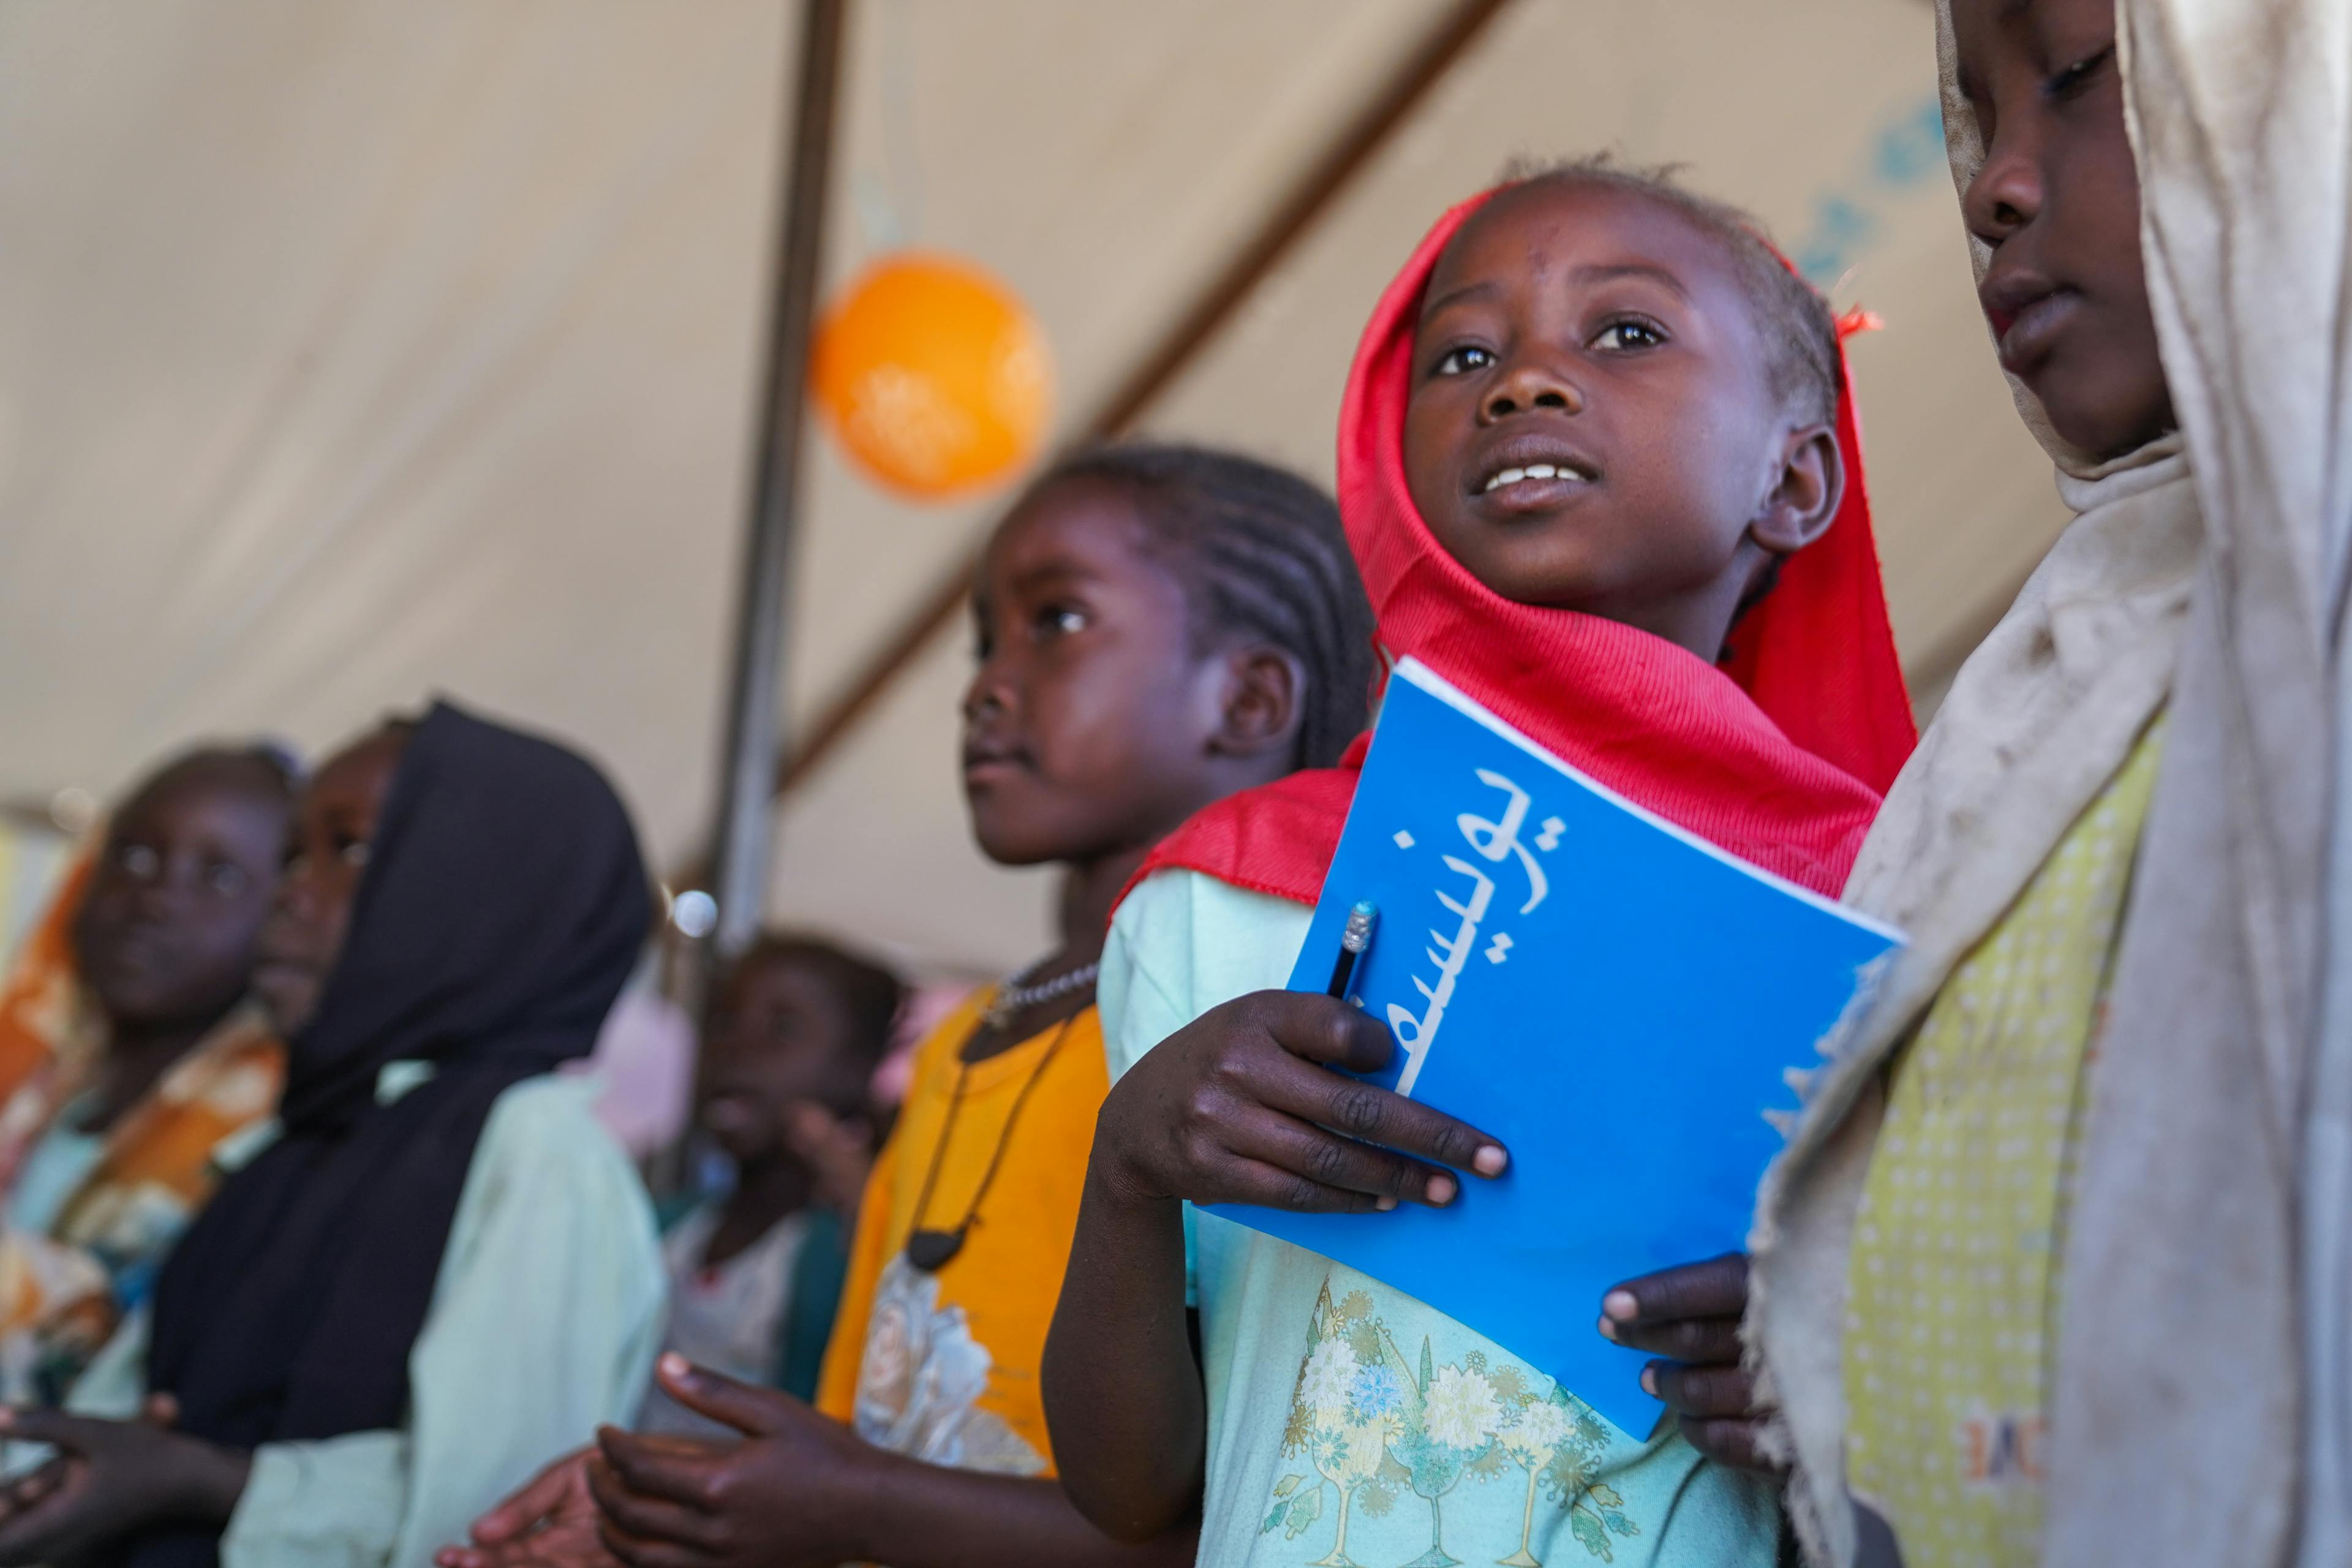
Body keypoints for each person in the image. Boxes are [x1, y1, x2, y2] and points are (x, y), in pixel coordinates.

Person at [1038, 160, 1916, 1568]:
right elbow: (1133, 1489)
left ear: (1795, 474)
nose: (1520, 381)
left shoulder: (1899, 918)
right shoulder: (1223, 898)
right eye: (1460, 353)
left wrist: (1838, 1380)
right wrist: (1128, 1169)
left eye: (1623, 331)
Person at [1624, 1, 2349, 1565]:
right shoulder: (2063, 660)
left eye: (2083, 77)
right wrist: (1829, 1311)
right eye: (1977, 118)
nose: (1990, 189)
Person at [445, 442, 1377, 1568]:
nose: (983, 685)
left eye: (1057, 623)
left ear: (1248, 697)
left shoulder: (1250, 1033)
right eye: (985, 642)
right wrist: (686, 1498)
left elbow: (1244, 1522)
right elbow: (877, 1442)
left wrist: (850, 1501)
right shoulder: (960, 1046)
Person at [0, 704, 665, 1567]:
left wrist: (201, 1480)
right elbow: (126, 1418)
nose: (292, 889)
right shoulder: (292, 1147)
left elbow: (497, 1511)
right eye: (289, 856)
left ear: (489, 892)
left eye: (346, 850)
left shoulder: (534, 1153)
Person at [0, 747, 294, 1400]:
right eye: (134, 857)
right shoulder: (30, 1075)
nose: (156, 899)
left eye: (217, 877)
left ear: (283, 914)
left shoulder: (266, 1143)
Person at [636, 933, 903, 1436]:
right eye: (723, 1023)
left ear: (856, 1069)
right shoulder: (665, 1227)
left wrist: (871, 1210)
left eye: (781, 1029)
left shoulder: (843, 1251)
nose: (736, 1050)